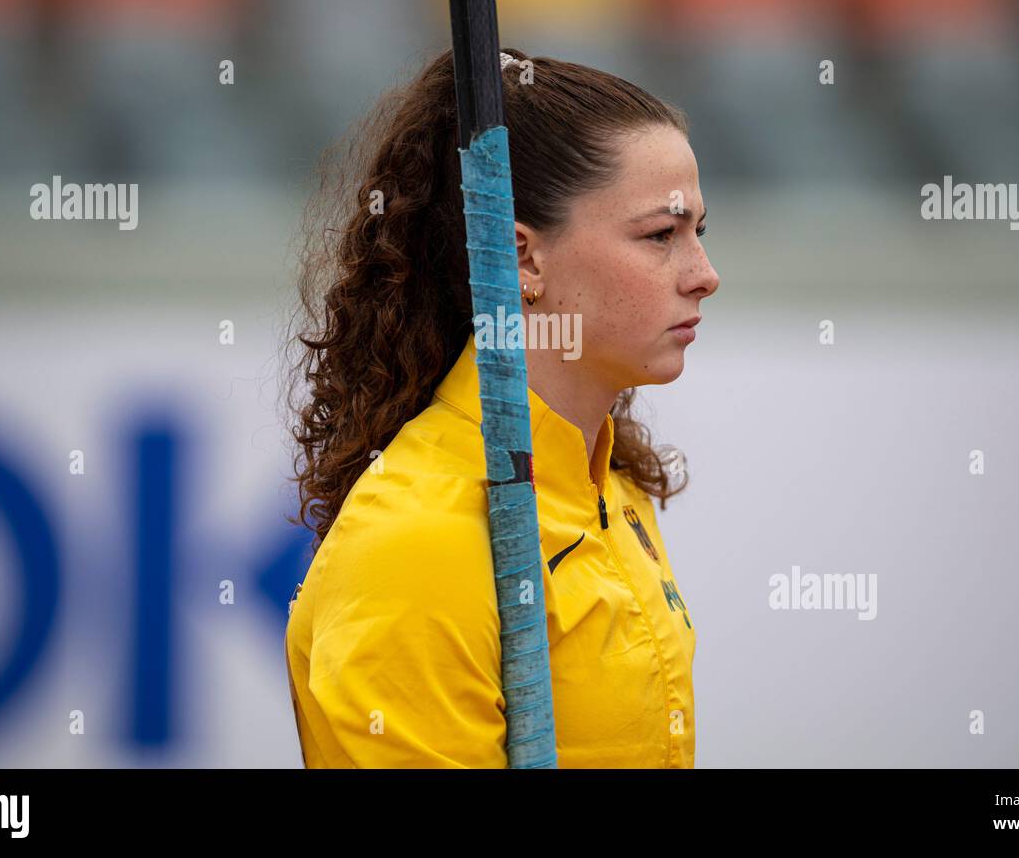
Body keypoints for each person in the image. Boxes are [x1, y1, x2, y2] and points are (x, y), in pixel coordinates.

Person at [283, 47, 720, 767]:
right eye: (660, 236)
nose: (704, 276)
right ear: (522, 258)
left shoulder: (610, 485)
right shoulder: (418, 542)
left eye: (699, 232)